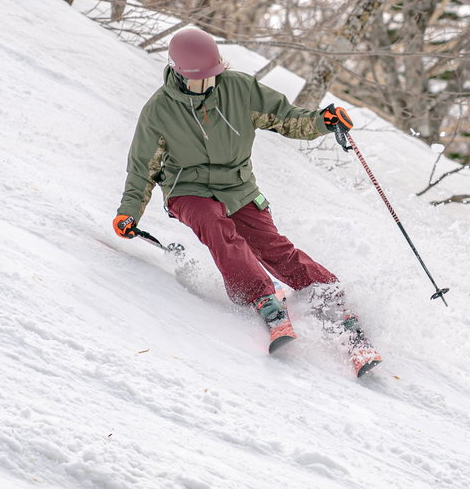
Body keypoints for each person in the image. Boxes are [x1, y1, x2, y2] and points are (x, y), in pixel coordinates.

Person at [113, 27, 381, 375]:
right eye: (201, 80)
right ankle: (264, 300)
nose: (209, 84)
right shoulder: (159, 111)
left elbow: (286, 117)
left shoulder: (238, 88)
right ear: (178, 72)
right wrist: (128, 212)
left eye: (214, 76)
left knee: (273, 247)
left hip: (238, 186)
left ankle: (337, 309)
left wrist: (321, 122)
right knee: (216, 227)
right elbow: (142, 169)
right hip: (188, 190)